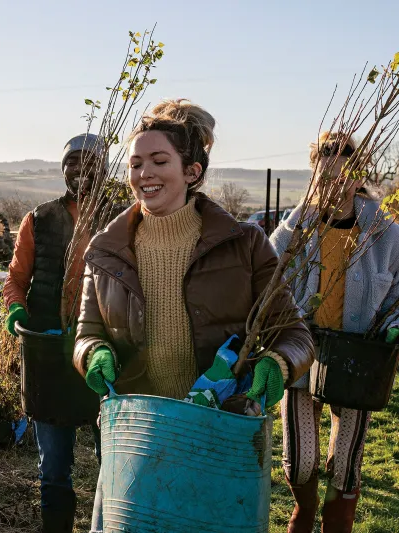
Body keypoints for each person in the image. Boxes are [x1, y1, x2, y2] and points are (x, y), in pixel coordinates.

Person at [73, 99, 313, 532]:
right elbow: (87, 332)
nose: (144, 173)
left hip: (221, 434)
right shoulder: (106, 252)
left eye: (159, 161)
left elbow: (293, 332)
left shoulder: (245, 244)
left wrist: (278, 363)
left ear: (192, 172)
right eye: (136, 163)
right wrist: (92, 353)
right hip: (139, 437)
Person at [270, 131, 399, 533]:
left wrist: (393, 327)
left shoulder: (384, 232)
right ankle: (303, 512)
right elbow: (268, 279)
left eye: (342, 177)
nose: (332, 187)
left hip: (359, 358)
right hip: (304, 352)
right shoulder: (297, 229)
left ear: (358, 177)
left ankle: (336, 522)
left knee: (345, 467)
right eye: (323, 178)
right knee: (300, 459)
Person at [3, 132, 109, 532]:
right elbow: (16, 279)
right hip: (48, 354)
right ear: (62, 169)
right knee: (53, 468)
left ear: (104, 168)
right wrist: (16, 308)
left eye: (89, 163)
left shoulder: (121, 219)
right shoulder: (39, 219)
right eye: (71, 164)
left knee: (113, 460)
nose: (79, 171)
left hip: (104, 356)